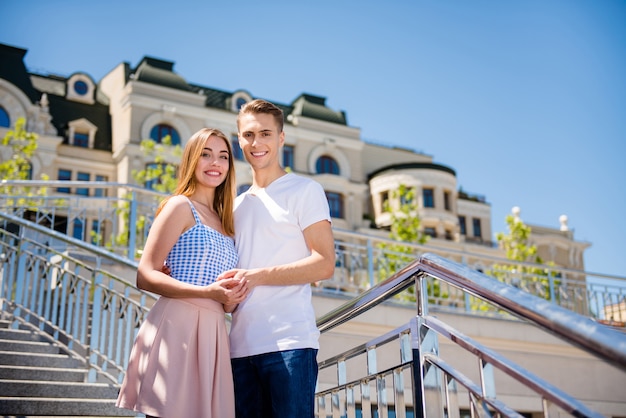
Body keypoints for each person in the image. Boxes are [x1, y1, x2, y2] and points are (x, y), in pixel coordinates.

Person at [116, 128, 248, 418]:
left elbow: (223, 295)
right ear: (191, 160)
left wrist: (228, 299)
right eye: (206, 154)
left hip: (214, 331)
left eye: (223, 156)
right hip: (178, 326)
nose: (216, 163)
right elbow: (145, 274)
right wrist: (208, 293)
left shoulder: (227, 222)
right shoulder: (180, 206)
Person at [218, 99, 336, 417]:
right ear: (239, 140)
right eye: (248, 135)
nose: (257, 143)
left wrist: (256, 276)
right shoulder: (235, 206)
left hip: (290, 344)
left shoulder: (305, 190)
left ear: (281, 138)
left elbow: (324, 263)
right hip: (239, 349)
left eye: (266, 133)